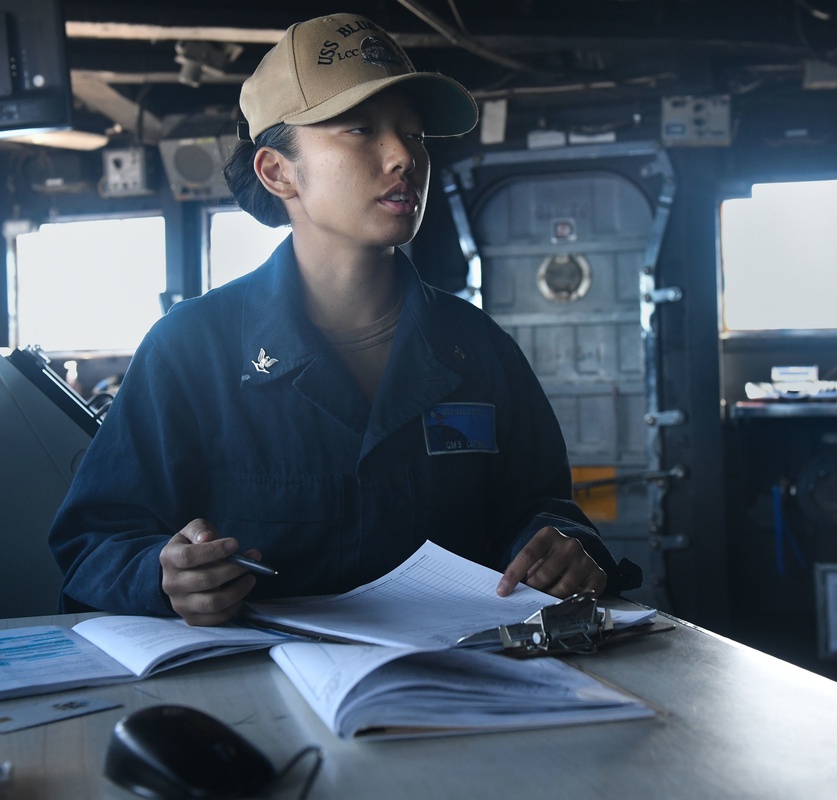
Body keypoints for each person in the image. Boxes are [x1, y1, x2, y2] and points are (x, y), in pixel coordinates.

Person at [49, 12, 640, 625]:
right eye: (360, 130)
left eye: (414, 134)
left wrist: (563, 548)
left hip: (456, 694)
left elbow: (541, 508)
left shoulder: (478, 348)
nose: (403, 157)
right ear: (278, 171)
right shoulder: (191, 349)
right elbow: (93, 542)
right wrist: (163, 574)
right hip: (255, 704)